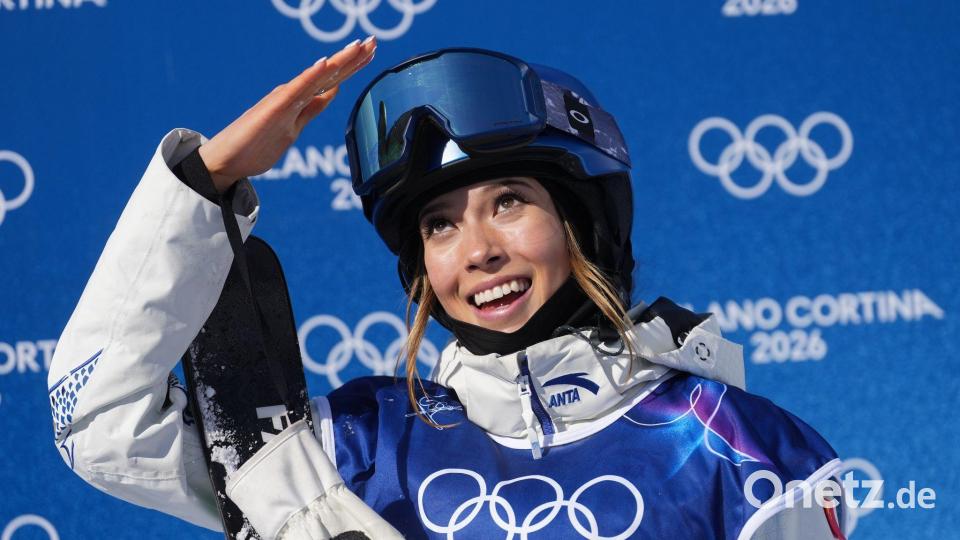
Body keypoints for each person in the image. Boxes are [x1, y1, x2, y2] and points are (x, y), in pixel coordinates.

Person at [47, 38, 849, 539]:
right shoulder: (352, 449)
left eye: (509, 203)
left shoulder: (740, 452)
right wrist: (204, 185)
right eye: (439, 225)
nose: (478, 252)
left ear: (582, 223)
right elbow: (101, 420)